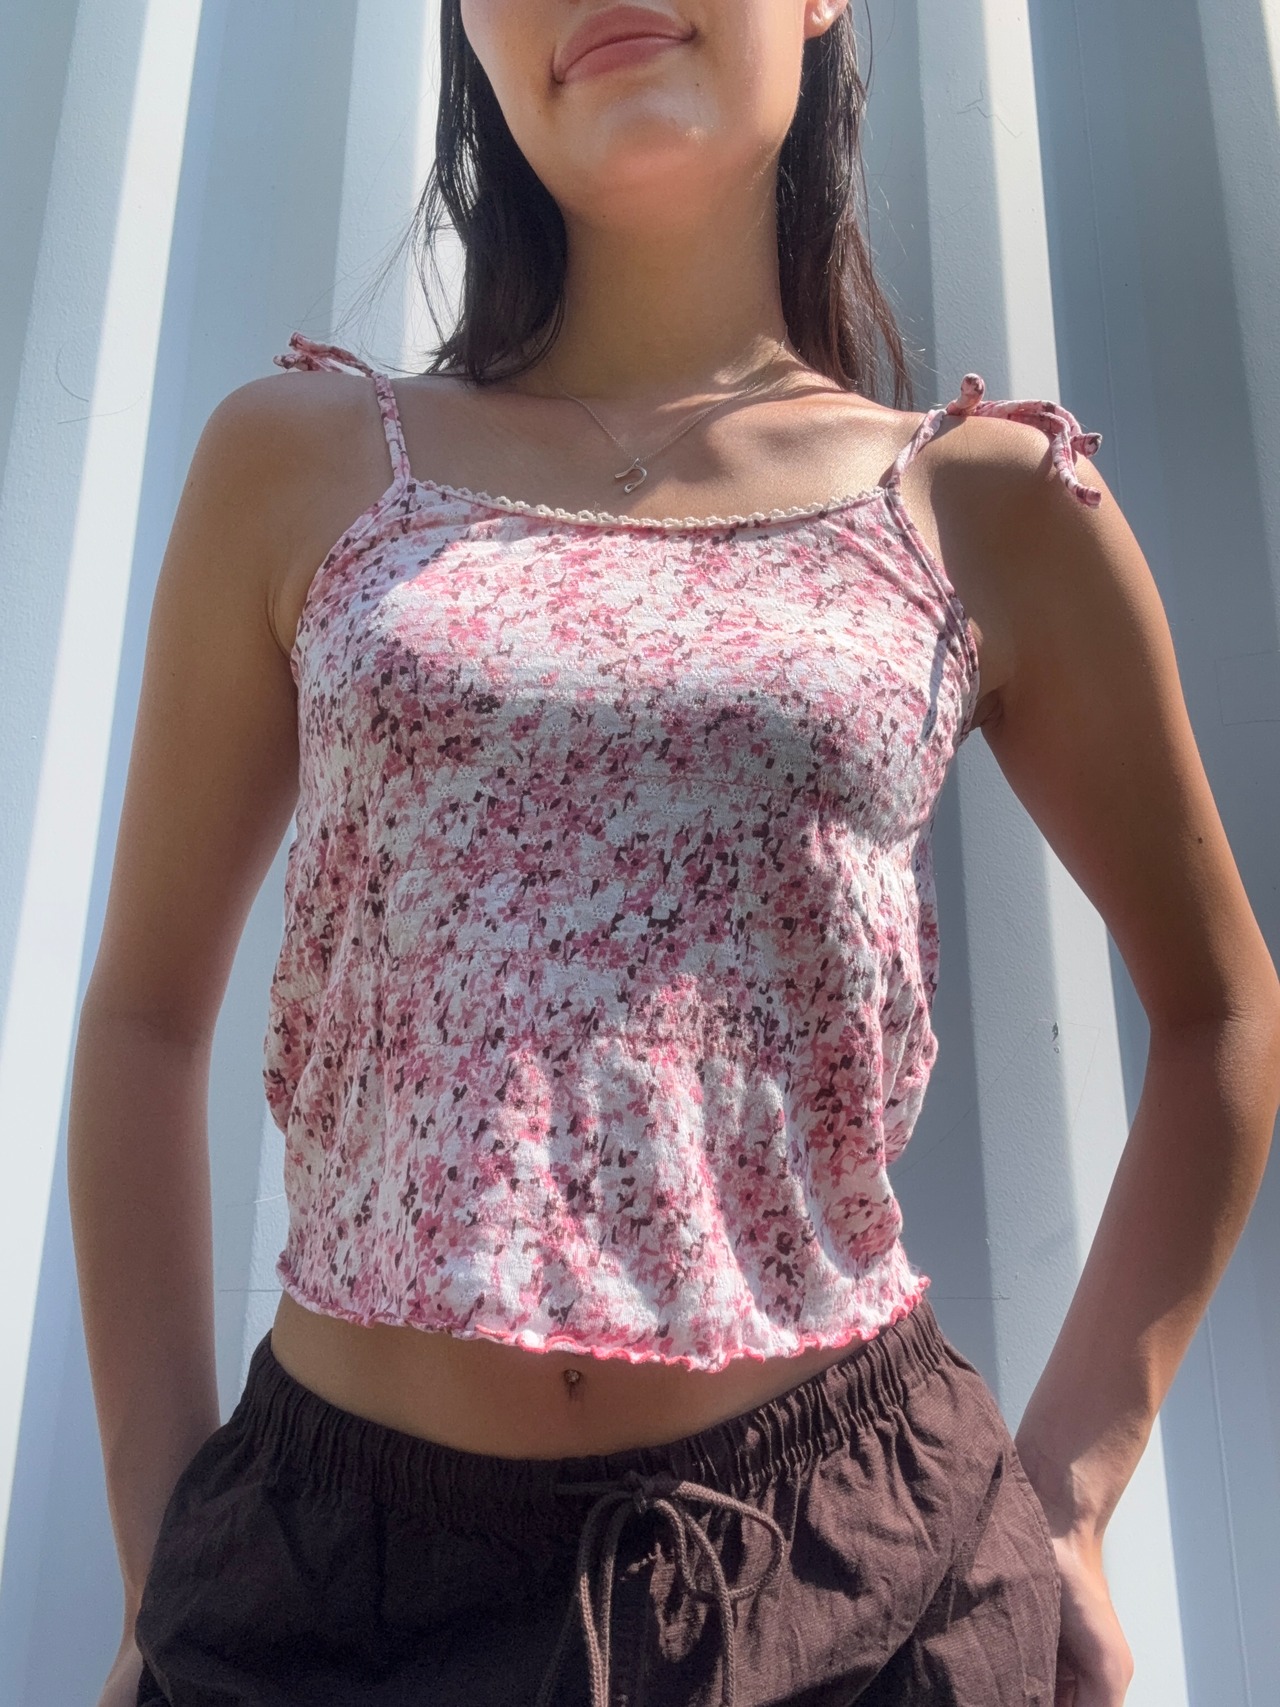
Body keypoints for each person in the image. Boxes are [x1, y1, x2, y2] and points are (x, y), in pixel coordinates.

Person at [68, 2, 1280, 1705]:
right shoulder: (302, 466)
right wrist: (159, 1552)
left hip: (843, 1594)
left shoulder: (985, 505)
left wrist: (1072, 1498)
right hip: (329, 1600)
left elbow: (1222, 1010)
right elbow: (142, 1019)